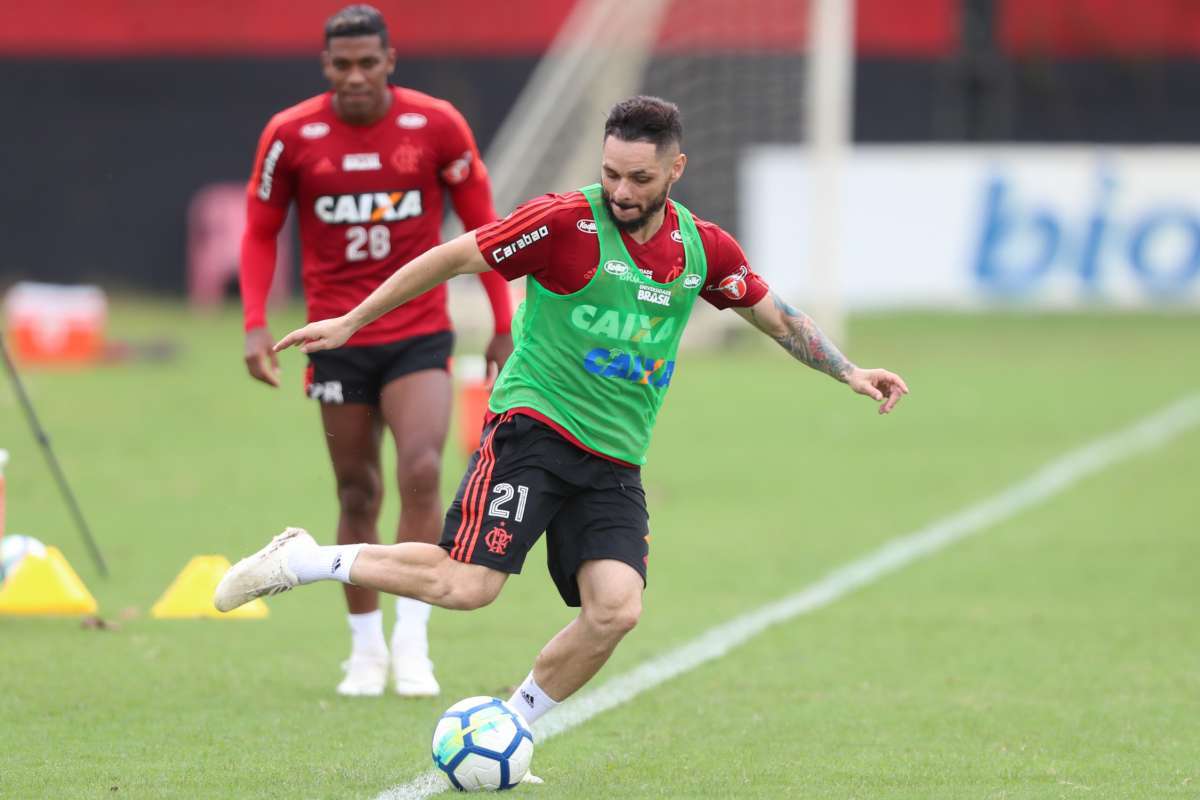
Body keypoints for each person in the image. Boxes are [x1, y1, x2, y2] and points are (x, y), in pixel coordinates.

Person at [219, 96, 907, 736]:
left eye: (639, 177)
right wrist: (354, 319)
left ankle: (509, 730)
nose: (622, 192)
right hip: (534, 429)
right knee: (467, 586)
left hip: (614, 459)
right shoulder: (563, 222)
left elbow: (775, 316)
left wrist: (848, 370)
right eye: (611, 173)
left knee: (616, 608)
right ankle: (304, 561)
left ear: (676, 168)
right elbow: (454, 256)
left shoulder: (702, 250)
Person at [238, 4, 513, 698]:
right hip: (335, 339)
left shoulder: (437, 125)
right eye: (342, 64)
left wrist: (502, 321)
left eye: (368, 63)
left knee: (422, 469)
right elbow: (261, 231)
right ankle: (364, 651)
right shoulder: (290, 135)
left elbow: (487, 229)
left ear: (390, 62)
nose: (355, 76)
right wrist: (252, 323)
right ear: (325, 66)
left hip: (419, 332)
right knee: (357, 489)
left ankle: (412, 643)